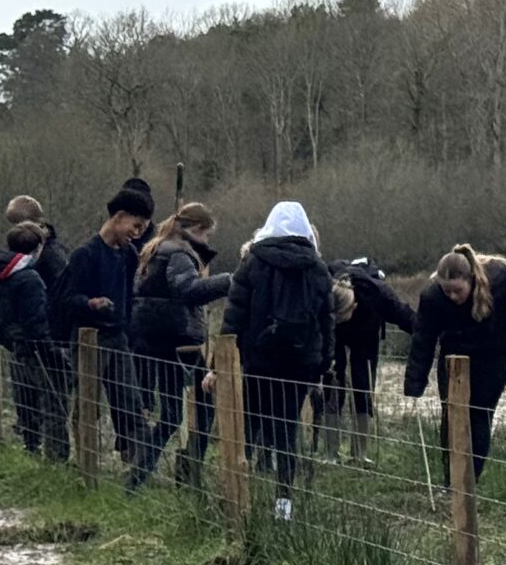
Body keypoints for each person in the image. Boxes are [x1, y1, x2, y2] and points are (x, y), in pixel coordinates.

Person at [222, 201, 337, 518]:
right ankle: (282, 507)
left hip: (259, 360)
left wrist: (223, 359)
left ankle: (238, 499)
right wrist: (324, 363)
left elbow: (235, 314)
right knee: (287, 433)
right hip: (300, 365)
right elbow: (327, 322)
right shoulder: (316, 267)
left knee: (248, 427)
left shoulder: (254, 263)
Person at [403, 243, 506, 481]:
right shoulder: (431, 296)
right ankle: (451, 482)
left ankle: (470, 482)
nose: (452, 296)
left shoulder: (500, 277)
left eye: (457, 291)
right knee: (451, 415)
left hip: (495, 356)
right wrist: (414, 384)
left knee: (479, 413)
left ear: (470, 280)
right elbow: (423, 340)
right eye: (446, 291)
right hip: (453, 357)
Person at [53, 184, 155, 475]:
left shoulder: (129, 255)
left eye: (143, 227)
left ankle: (139, 469)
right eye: (136, 225)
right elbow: (65, 300)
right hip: (89, 340)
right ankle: (86, 463)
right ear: (119, 217)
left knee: (130, 402)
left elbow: (129, 298)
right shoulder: (85, 255)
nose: (138, 232)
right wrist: (90, 303)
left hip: (118, 337)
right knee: (87, 404)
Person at [131, 201, 232, 487]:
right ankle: (175, 473)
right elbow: (188, 290)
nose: (208, 241)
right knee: (189, 411)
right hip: (176, 343)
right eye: (207, 236)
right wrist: (228, 281)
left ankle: (144, 477)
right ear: (197, 230)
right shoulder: (178, 253)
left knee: (177, 413)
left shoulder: (153, 249)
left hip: (151, 340)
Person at [0, 221, 63, 459]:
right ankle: (56, 458)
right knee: (54, 405)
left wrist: (11, 341)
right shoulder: (30, 279)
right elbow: (36, 322)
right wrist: (51, 351)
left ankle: (31, 447)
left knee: (26, 399)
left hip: (17, 347)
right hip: (35, 349)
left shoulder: (1, 276)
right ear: (38, 248)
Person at [327, 257, 415, 439]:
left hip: (366, 333)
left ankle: (360, 451)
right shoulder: (326, 292)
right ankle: (331, 448)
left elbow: (404, 315)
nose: (342, 321)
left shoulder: (379, 294)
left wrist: (431, 334)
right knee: (333, 382)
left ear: (354, 305)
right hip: (335, 336)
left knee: (363, 385)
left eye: (343, 317)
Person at [3, 195, 70, 295]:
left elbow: (63, 286)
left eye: (18, 223)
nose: (16, 228)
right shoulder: (17, 247)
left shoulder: (51, 250)